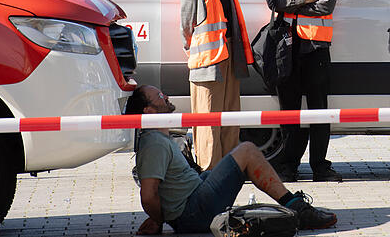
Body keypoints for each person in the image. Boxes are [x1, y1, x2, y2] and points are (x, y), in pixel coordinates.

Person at [126, 84, 337, 235]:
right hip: (193, 212)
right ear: (148, 111)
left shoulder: (159, 138)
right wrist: (158, 220)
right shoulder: (154, 143)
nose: (166, 96)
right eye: (159, 95)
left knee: (232, 161)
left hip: (194, 200)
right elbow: (148, 194)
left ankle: (295, 206)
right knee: (247, 151)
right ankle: (299, 209)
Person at [265, 0, 342, 183]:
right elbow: (273, 1)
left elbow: (326, 6)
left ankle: (320, 167)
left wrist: (289, 3)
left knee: (319, 111)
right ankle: (289, 167)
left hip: (315, 48)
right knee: (289, 111)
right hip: (286, 48)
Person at [180, 0, 253, 171]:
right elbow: (186, 28)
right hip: (208, 61)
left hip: (230, 55)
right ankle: (210, 171)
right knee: (208, 118)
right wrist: (196, 54)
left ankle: (230, 170)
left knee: (230, 116)